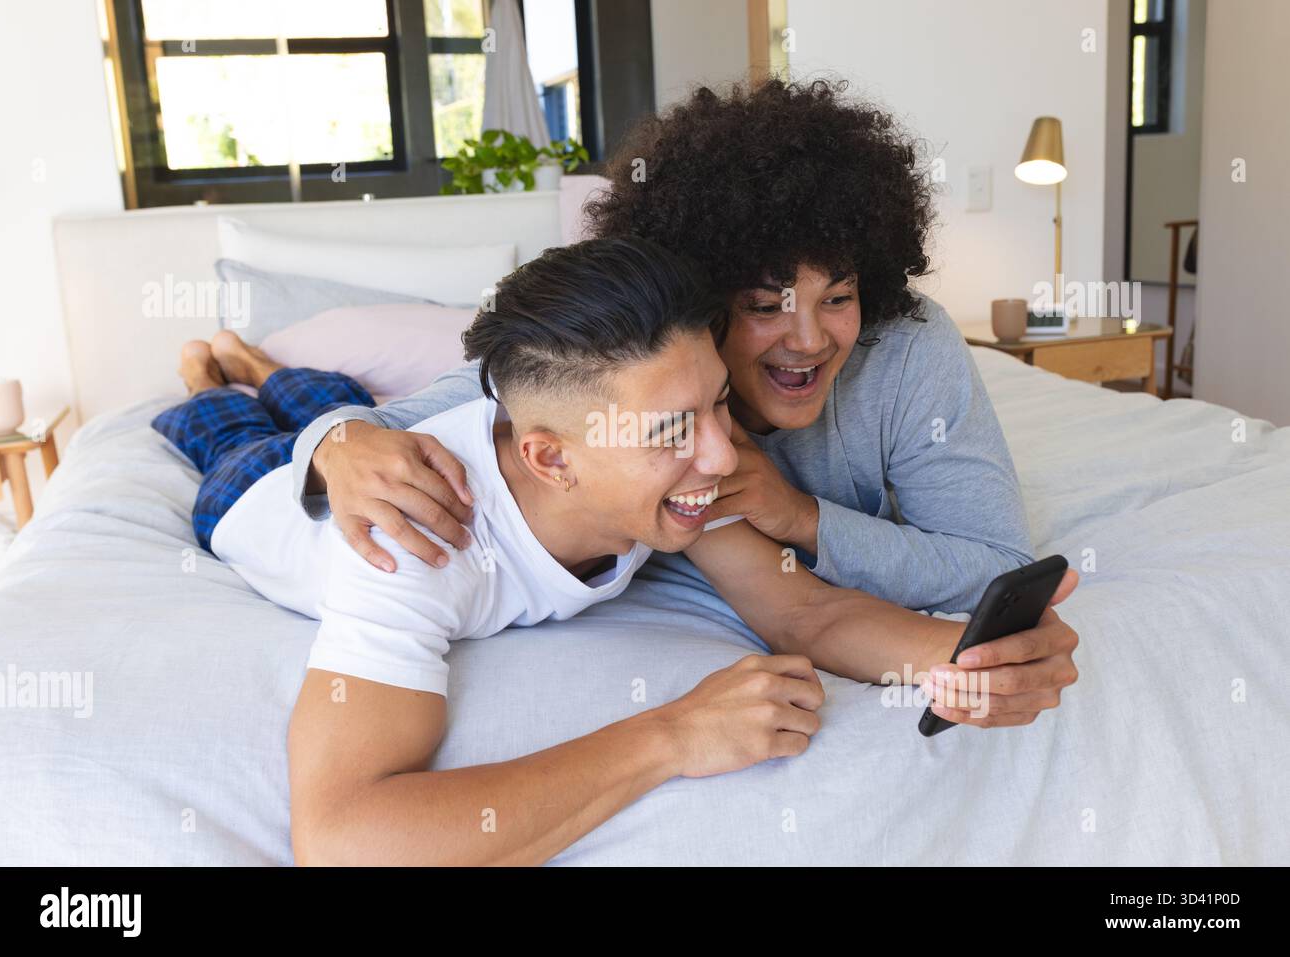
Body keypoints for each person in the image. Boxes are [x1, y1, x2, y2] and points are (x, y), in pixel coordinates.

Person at [291, 79, 1080, 729]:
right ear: (696, 307)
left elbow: (928, 580)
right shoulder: (624, 356)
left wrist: (804, 518)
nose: (808, 339)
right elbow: (394, 423)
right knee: (297, 397)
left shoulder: (905, 352)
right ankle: (238, 369)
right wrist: (338, 442)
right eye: (765, 305)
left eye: (838, 296)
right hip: (264, 488)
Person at [151, 238, 833, 866]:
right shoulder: (414, 546)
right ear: (551, 457)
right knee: (228, 430)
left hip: (391, 439)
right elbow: (340, 837)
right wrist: (672, 735)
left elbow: (810, 611)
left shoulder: (665, 459)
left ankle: (261, 365)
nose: (722, 455)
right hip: (258, 494)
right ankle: (208, 374)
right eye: (673, 432)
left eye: (718, 404)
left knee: (338, 399)